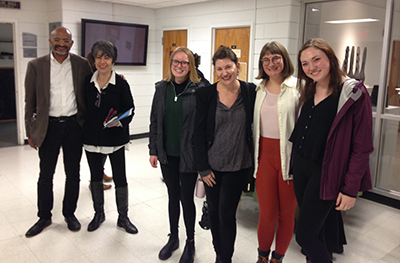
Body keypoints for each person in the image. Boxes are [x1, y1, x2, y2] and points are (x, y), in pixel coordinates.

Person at [289, 38, 373, 263]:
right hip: (302, 166)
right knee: (319, 231)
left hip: (326, 172)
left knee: (304, 235)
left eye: (316, 59)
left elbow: (362, 147)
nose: (311, 67)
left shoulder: (353, 93)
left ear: (330, 58)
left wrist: (350, 189)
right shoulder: (309, 88)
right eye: (305, 63)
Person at [24, 27, 92, 237]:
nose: (61, 44)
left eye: (66, 40)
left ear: (72, 43)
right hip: (48, 127)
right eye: (57, 40)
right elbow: (30, 102)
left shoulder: (82, 64)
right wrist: (30, 131)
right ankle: (44, 216)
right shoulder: (36, 65)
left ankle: (69, 213)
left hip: (74, 126)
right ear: (50, 41)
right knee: (46, 174)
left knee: (73, 173)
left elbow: (94, 86)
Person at [193, 45, 256, 263]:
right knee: (214, 215)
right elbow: (198, 133)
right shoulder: (206, 94)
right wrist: (202, 168)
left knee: (226, 215)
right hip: (212, 167)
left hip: (239, 165)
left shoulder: (250, 92)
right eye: (219, 69)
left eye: (228, 66)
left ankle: (224, 257)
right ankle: (219, 251)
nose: (224, 72)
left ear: (237, 67)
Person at [149, 47, 208, 263]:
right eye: (176, 61)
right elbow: (155, 120)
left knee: (186, 199)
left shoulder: (200, 89)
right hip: (167, 154)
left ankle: (190, 243)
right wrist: (153, 150)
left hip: (188, 155)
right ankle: (173, 237)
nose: (179, 66)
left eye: (185, 62)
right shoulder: (162, 88)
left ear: (191, 66)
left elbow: (205, 126)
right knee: (172, 196)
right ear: (170, 63)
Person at [83, 40, 138, 234]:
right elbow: (83, 110)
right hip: (91, 141)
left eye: (107, 57)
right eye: (98, 56)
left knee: (120, 178)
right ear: (94, 59)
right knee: (96, 178)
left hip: (115, 140)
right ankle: (99, 214)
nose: (102, 61)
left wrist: (118, 123)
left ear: (113, 61)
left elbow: (130, 110)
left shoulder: (121, 84)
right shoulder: (87, 83)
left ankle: (123, 217)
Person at [253, 42, 298, 263]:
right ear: (261, 63)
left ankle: (277, 258)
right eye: (266, 59)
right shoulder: (257, 89)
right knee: (267, 214)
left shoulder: (298, 88)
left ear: (284, 59)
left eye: (276, 58)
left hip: (289, 159)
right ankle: (262, 257)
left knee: (286, 214)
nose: (271, 63)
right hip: (264, 158)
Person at [86, 52, 112, 191]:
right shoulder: (90, 78)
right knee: (97, 154)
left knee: (104, 152)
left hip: (105, 122)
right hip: (93, 124)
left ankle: (101, 174)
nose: (103, 61)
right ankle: (95, 181)